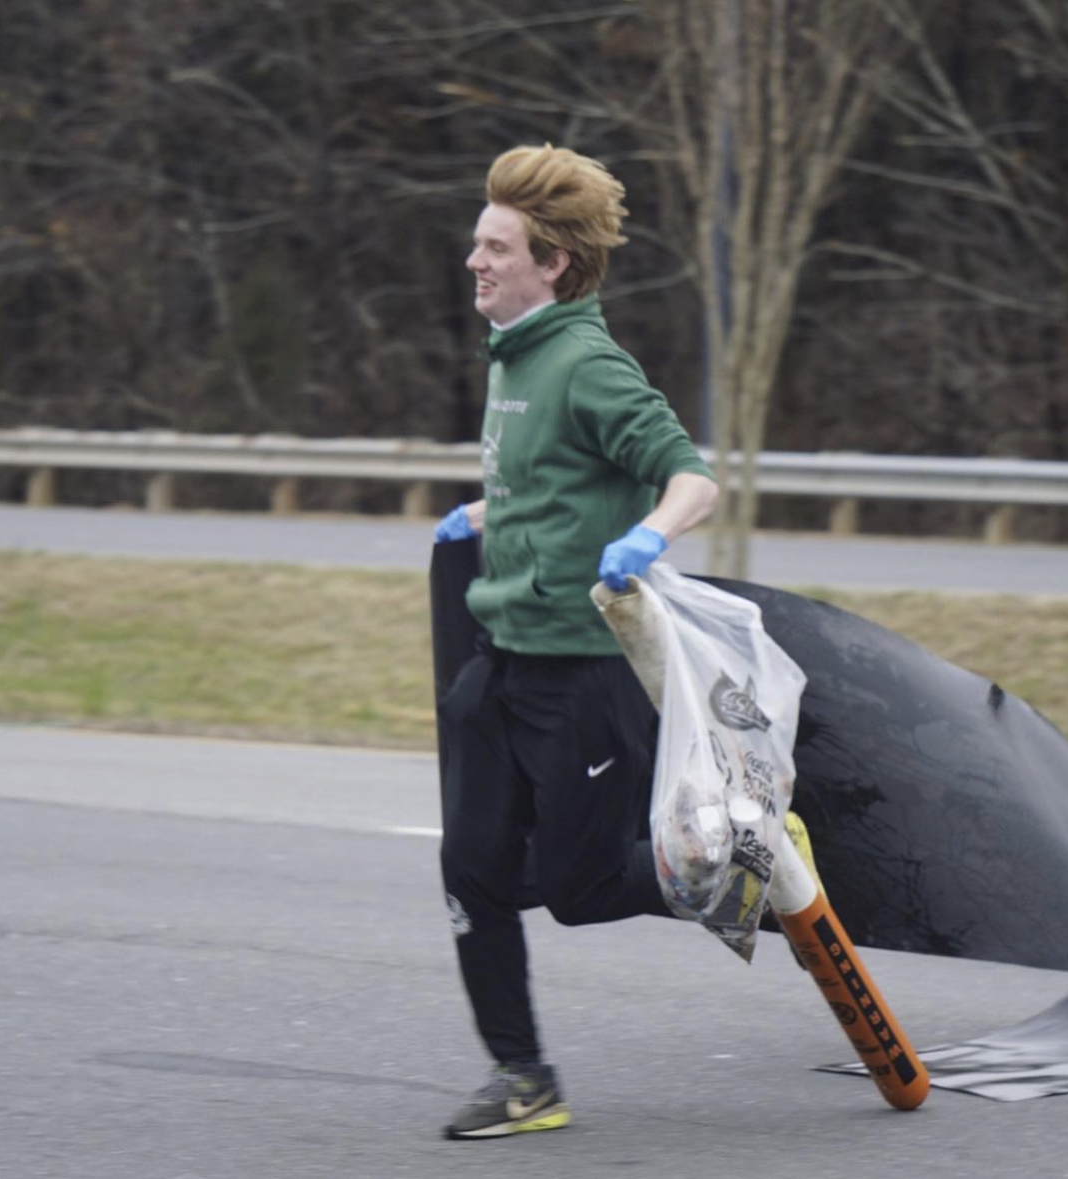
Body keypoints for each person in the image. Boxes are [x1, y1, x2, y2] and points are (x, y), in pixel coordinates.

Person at [433, 143, 718, 1140]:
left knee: (582, 890)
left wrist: (648, 533)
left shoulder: (588, 363)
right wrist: (490, 512)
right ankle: (524, 1079)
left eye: (495, 247)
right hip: (500, 661)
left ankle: (734, 861)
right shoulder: (515, 358)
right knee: (470, 870)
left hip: (582, 678)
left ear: (552, 263)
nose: (475, 261)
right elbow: (553, 476)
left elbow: (691, 474)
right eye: (476, 243)